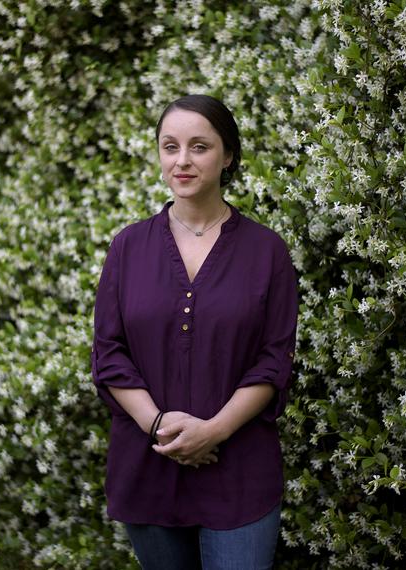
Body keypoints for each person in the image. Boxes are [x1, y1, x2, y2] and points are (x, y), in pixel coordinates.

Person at [90, 94, 299, 569]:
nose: (181, 160)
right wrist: (160, 426)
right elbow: (109, 353)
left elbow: (273, 360)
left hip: (239, 471)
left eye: (199, 147)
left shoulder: (267, 252)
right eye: (170, 146)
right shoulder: (128, 247)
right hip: (149, 465)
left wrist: (214, 431)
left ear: (228, 156)